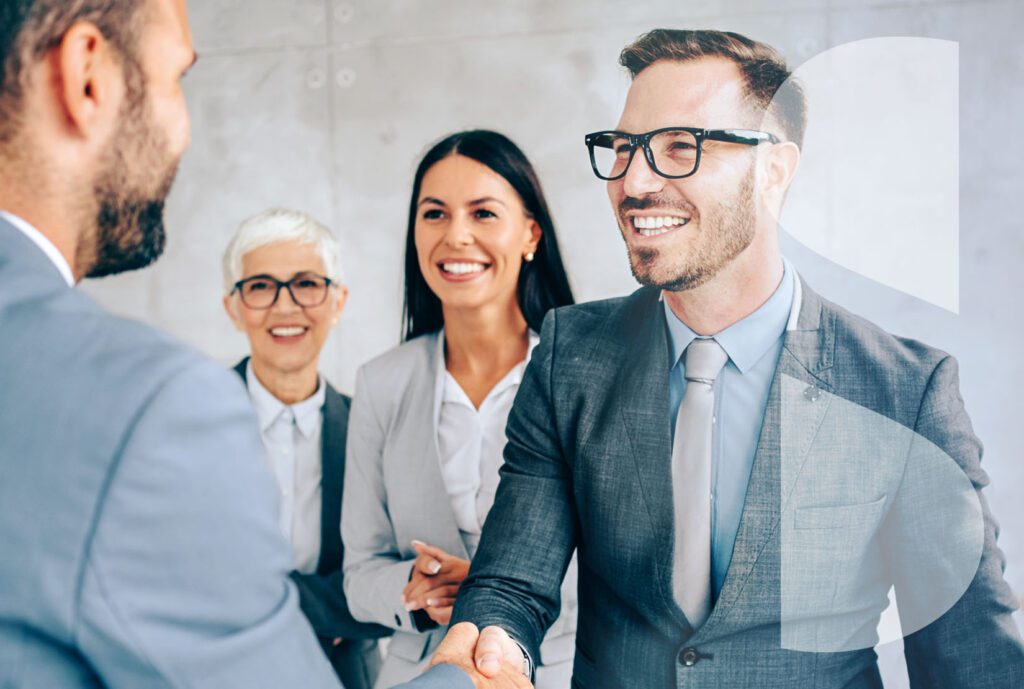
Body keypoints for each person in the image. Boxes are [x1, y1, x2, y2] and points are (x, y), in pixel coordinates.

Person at [417, 29, 1024, 689]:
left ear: (774, 170)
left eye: (682, 146)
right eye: (622, 148)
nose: (634, 180)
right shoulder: (570, 356)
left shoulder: (904, 391)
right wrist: (495, 646)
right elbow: (512, 581)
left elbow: (970, 655)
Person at [0, 2, 341, 686]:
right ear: (86, 74)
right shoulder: (152, 407)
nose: (183, 131)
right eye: (177, 77)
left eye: (305, 283)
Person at [341, 130, 577, 689]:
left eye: (483, 213)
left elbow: (632, 573)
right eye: (435, 214)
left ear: (530, 234)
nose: (457, 235)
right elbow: (359, 575)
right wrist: (416, 590)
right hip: (420, 673)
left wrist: (496, 591)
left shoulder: (582, 376)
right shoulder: (381, 383)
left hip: (564, 673)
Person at [221, 208, 392, 689]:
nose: (285, 306)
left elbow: (400, 595)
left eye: (306, 284)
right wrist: (329, 609)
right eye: (260, 286)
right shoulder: (186, 421)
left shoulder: (375, 425)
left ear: (338, 301)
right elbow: (174, 577)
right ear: (233, 307)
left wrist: (256, 599)